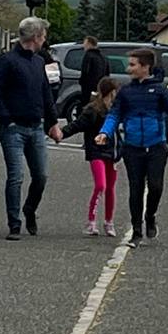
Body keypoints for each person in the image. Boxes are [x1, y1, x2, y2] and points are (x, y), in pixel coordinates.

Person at [95, 48, 168, 247]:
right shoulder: (126, 92)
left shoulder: (161, 90)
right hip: (132, 148)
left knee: (155, 186)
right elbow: (114, 115)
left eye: (133, 64)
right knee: (135, 190)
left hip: (156, 146)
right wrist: (105, 132)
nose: (129, 69)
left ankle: (150, 215)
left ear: (145, 67)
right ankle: (136, 231)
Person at [0, 17, 62, 240]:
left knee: (41, 175)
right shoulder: (7, 61)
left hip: (36, 127)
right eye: (44, 37)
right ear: (36, 37)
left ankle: (29, 208)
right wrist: (6, 119)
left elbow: (45, 94)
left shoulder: (38, 62)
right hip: (14, 128)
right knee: (16, 176)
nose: (44, 41)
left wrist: (53, 122)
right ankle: (14, 223)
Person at [61, 76, 121, 237]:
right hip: (96, 152)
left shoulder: (116, 111)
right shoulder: (92, 111)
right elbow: (77, 125)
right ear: (109, 93)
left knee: (110, 189)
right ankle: (91, 221)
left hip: (111, 153)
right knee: (101, 185)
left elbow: (117, 135)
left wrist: (120, 151)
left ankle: (109, 221)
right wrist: (62, 133)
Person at [76, 36, 108, 118]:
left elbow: (85, 72)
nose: (83, 46)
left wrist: (82, 82)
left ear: (89, 44)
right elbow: (107, 73)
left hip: (88, 89)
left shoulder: (88, 56)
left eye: (84, 43)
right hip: (100, 88)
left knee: (87, 108)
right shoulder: (103, 57)